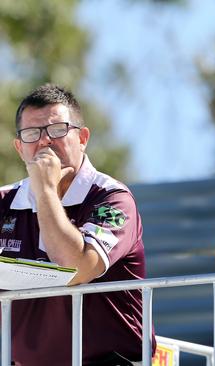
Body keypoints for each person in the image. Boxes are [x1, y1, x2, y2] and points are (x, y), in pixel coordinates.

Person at [0, 84, 154, 365]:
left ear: (82, 137)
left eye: (57, 130)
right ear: (19, 148)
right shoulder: (3, 201)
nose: (44, 142)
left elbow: (76, 268)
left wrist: (46, 190)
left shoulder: (111, 197)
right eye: (32, 134)